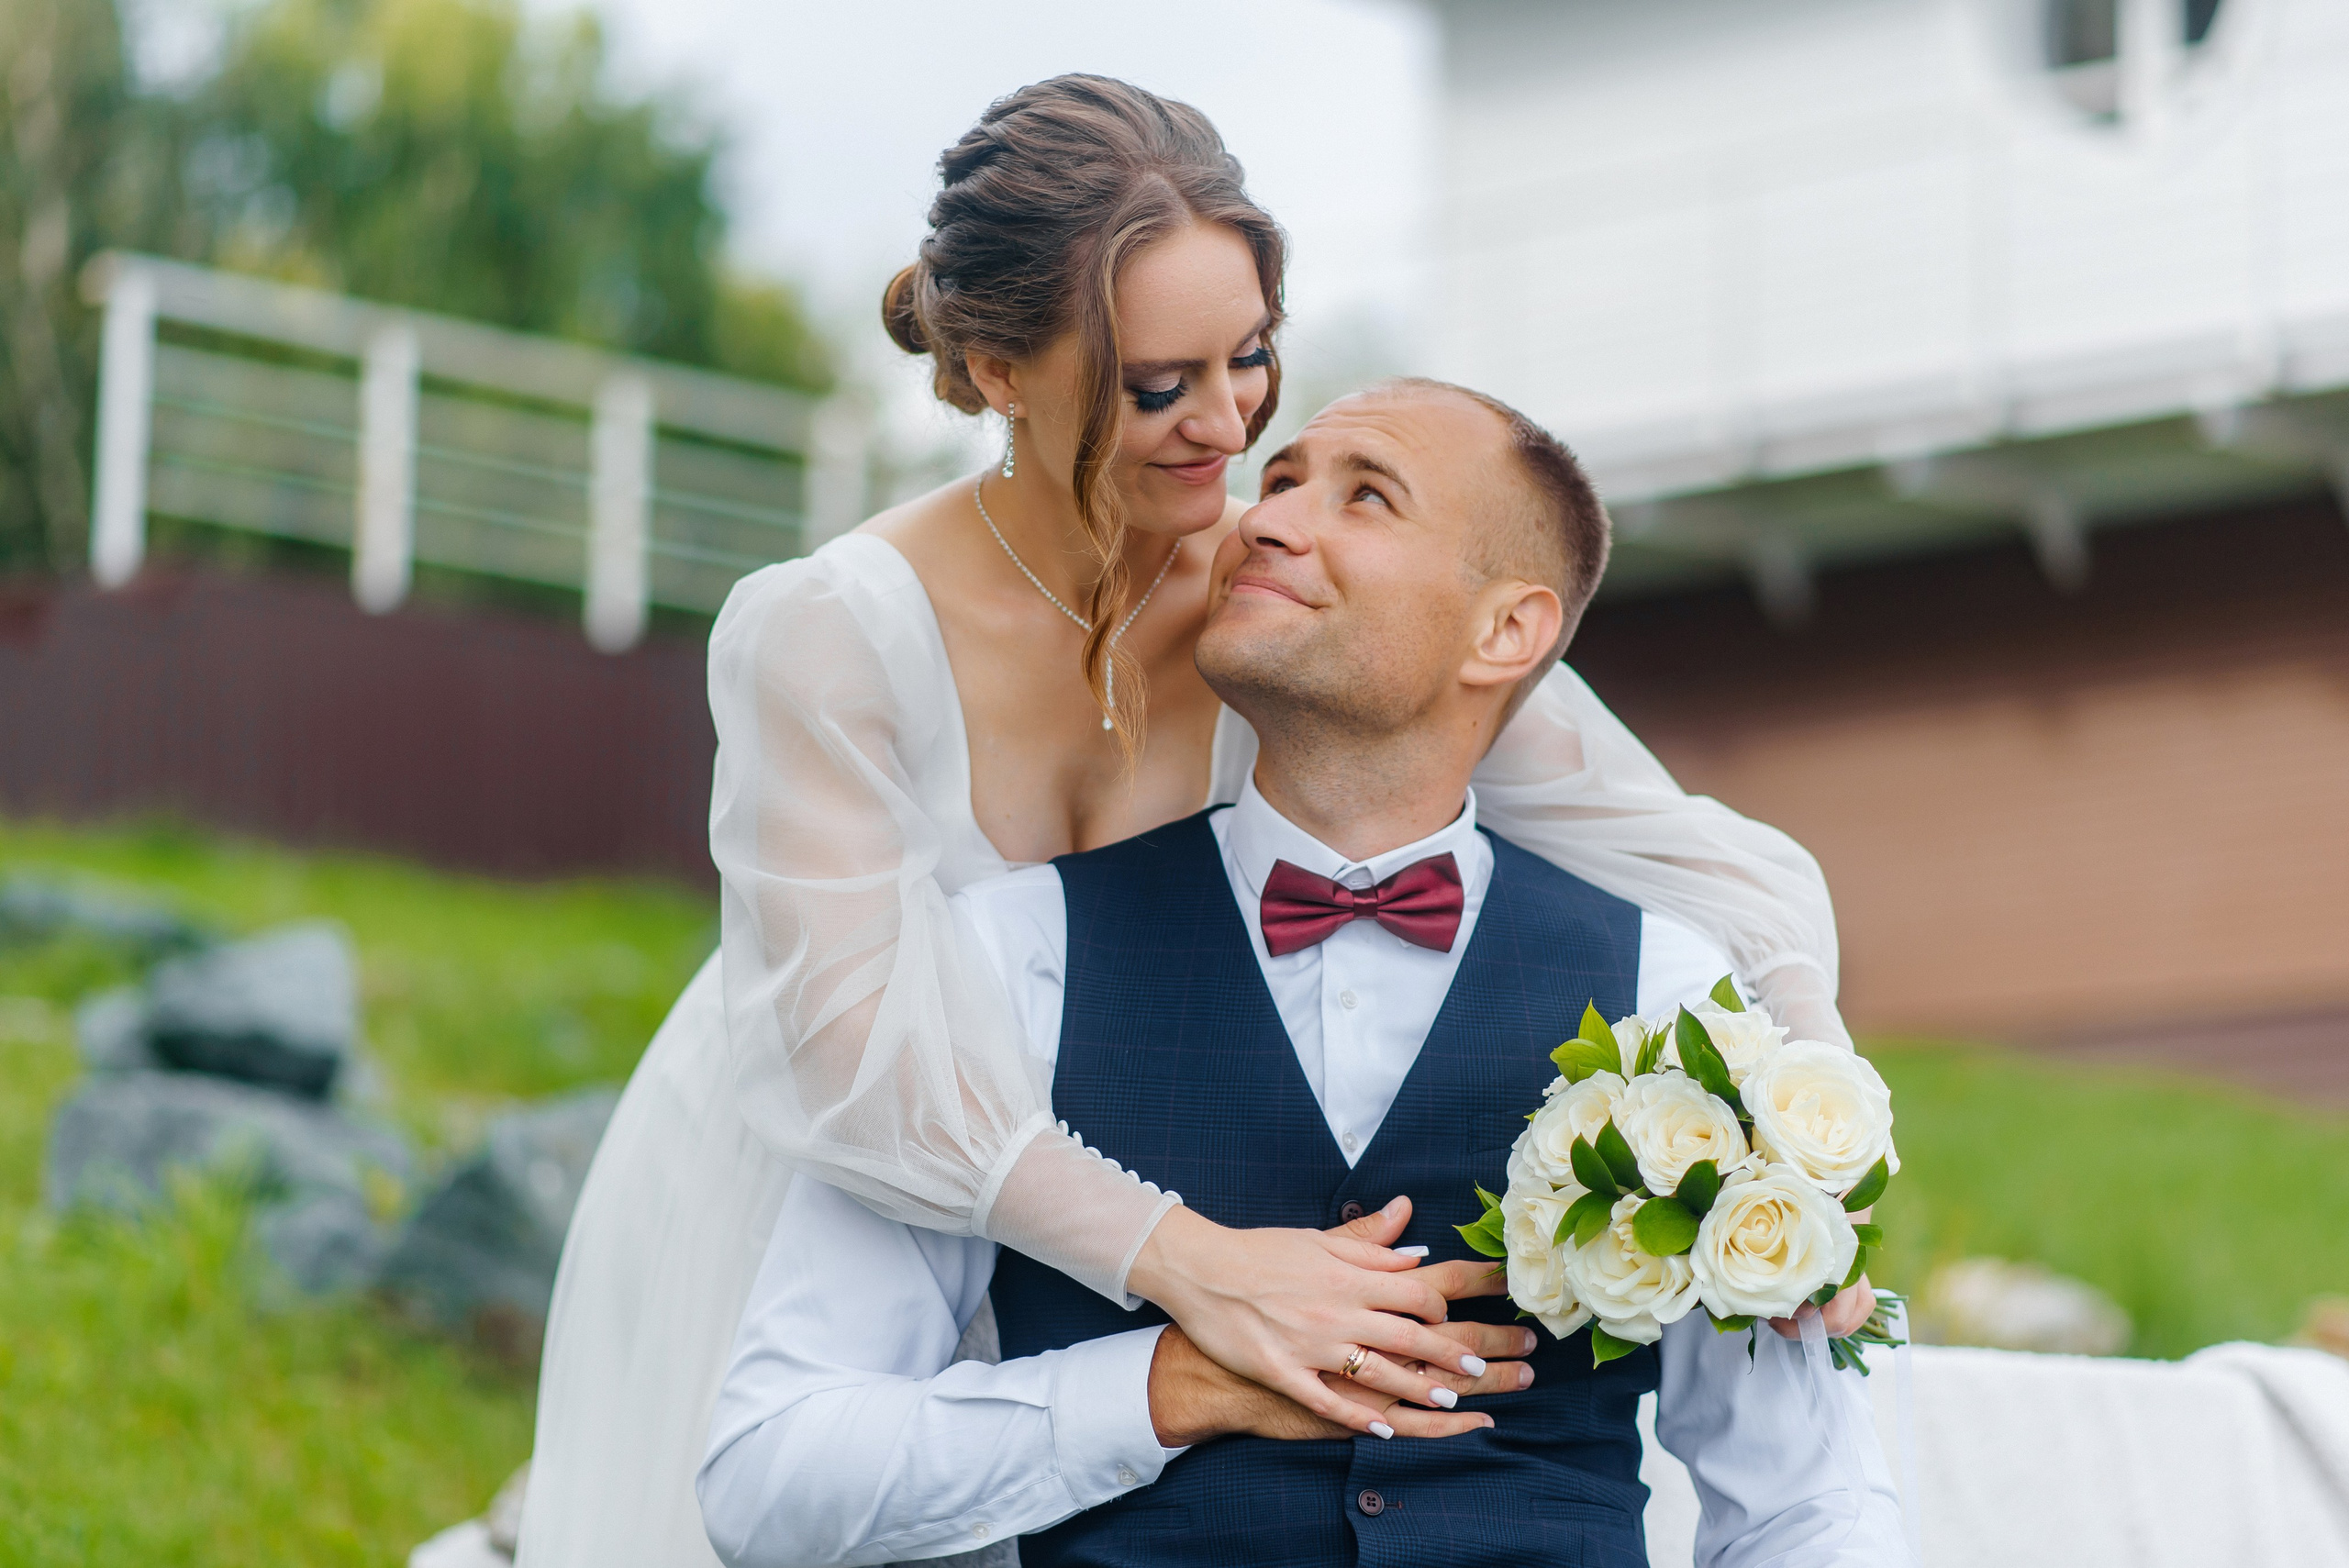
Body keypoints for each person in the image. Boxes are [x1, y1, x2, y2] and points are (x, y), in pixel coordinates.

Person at [518, 76, 1863, 1568]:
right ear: (997, 368)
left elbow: (1699, 862)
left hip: (1147, 1149)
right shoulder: (828, 632)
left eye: (1253, 360)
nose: (1226, 429)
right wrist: (1197, 1274)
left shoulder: (1283, 592)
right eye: (1161, 386)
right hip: (855, 1144)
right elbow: (865, 1077)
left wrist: (1812, 1151)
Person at [696, 378, 1906, 1568]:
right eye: (1276, 482)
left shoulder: (1672, 992)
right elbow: (769, 1470)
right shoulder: (1011, 956)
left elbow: (1809, 1506)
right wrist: (1164, 1385)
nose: (1261, 518)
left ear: (1508, 630)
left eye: (1366, 496)